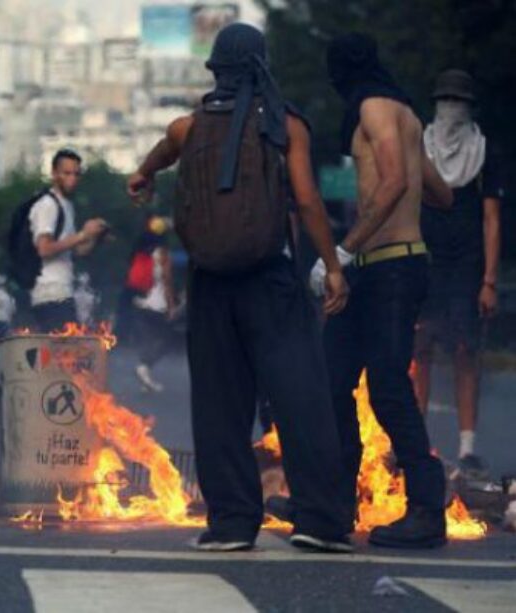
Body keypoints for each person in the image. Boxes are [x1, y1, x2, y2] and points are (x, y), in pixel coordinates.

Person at [128, 23, 352, 553]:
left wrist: (142, 175)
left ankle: (230, 523)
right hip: (268, 279)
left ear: (215, 70)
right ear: (261, 66)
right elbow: (307, 201)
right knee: (301, 396)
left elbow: (162, 153)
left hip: (210, 282)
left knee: (220, 403)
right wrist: (332, 266)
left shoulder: (189, 127)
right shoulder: (284, 125)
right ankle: (319, 521)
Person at [316, 33, 454, 548]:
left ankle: (426, 512)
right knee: (331, 379)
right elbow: (441, 193)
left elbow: (395, 180)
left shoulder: (374, 107)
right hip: (375, 270)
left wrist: (344, 250)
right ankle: (334, 504)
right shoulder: (405, 115)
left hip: (392, 268)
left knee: (390, 388)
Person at [414, 70, 504, 476]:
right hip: (424, 261)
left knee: (466, 352)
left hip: (466, 267)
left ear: (470, 109)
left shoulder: (484, 153)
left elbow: (491, 218)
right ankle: (414, 443)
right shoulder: (419, 146)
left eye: (459, 102)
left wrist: (488, 280)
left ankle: (467, 447)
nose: (452, 109)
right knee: (420, 350)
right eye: (445, 100)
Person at [30, 150, 108, 332]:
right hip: (49, 293)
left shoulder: (67, 205)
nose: (72, 178)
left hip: (62, 291)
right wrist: (82, 234)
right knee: (64, 353)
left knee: (65, 355)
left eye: (76, 174)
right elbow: (44, 249)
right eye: (66, 173)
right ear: (54, 173)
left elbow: (76, 251)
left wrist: (94, 237)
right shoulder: (48, 204)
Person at [127, 216, 176, 393]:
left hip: (140, 302)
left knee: (147, 340)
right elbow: (167, 280)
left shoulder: (140, 251)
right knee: (167, 340)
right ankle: (144, 366)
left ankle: (145, 380)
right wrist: (171, 306)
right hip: (157, 304)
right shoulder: (163, 253)